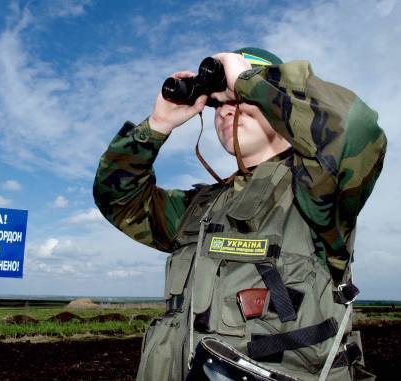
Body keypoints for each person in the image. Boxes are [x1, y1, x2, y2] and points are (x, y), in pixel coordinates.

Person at [93, 47, 386, 381]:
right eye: (218, 103)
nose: (225, 111)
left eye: (239, 99)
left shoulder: (315, 190)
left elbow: (357, 129)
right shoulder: (202, 207)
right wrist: (157, 126)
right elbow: (118, 198)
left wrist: (247, 80)